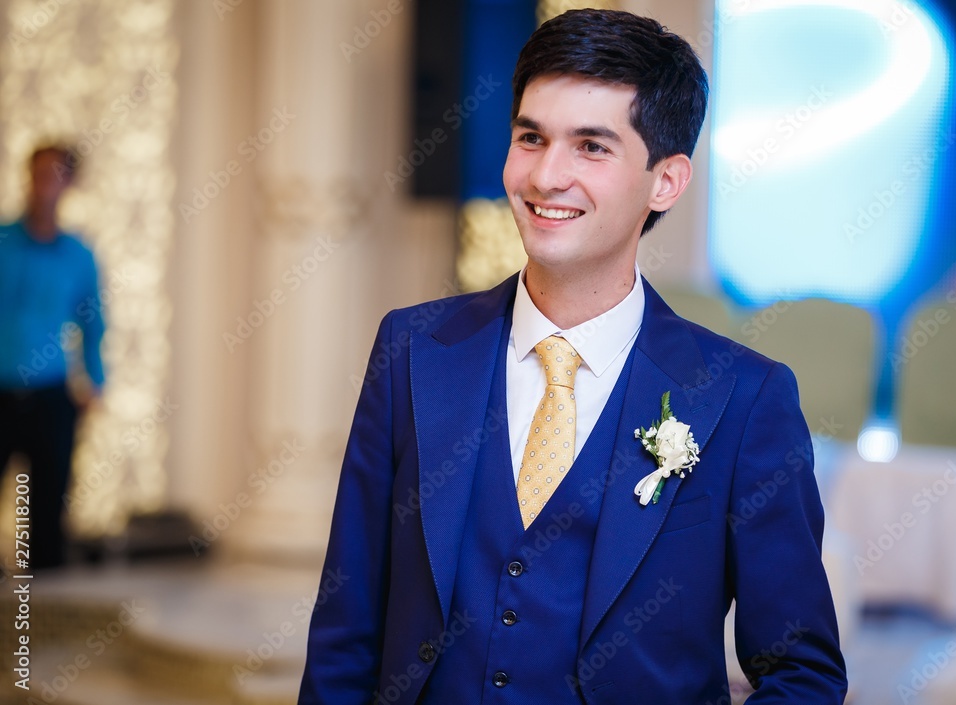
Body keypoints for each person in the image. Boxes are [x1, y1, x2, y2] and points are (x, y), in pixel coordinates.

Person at [300, 9, 847, 704]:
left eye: (592, 147)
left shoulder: (743, 397)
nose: (546, 176)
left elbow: (803, 671)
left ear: (666, 180)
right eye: (531, 138)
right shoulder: (412, 350)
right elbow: (346, 633)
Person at [0, 145, 105, 570]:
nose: (44, 186)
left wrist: (94, 380)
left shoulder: (79, 256)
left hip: (51, 393)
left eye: (55, 176)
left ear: (69, 185)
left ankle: (40, 612)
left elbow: (93, 323)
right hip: (1, 389)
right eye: (38, 174)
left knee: (47, 506)